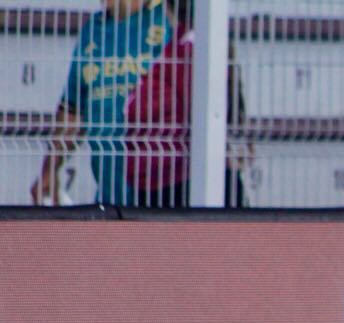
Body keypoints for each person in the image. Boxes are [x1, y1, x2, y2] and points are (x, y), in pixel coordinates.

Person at [30, 0, 173, 206]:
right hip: (111, 197)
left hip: (162, 197)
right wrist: (50, 169)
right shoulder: (93, 30)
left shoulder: (167, 19)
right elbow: (73, 110)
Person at [122, 0, 250, 207]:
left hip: (175, 175)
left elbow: (201, 109)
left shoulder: (189, 48)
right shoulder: (184, 46)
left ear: (168, 7)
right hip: (168, 173)